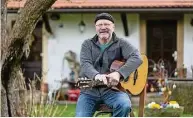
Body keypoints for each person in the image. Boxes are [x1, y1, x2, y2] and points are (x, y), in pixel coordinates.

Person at [75, 13, 142, 117]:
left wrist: (119, 74)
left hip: (115, 91)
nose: (103, 27)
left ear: (113, 27)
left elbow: (137, 57)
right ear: (95, 28)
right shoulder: (87, 44)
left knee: (124, 105)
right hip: (89, 92)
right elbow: (85, 64)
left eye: (107, 24)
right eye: (99, 25)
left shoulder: (121, 43)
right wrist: (96, 76)